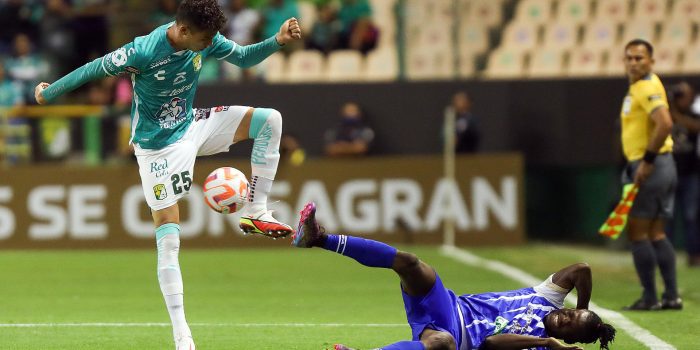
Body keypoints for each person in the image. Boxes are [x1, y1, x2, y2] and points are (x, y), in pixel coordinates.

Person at [34, 0, 302, 348]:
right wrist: (48, 92)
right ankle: (182, 335)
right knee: (169, 239)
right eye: (205, 40)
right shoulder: (143, 50)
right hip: (157, 149)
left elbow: (244, 57)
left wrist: (277, 41)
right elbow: (92, 70)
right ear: (184, 30)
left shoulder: (206, 37)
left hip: (192, 125)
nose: (210, 45)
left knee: (270, 120)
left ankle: (255, 210)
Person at [291, 202, 617, 350]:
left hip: (458, 340)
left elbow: (490, 344)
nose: (566, 317)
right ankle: (319, 239)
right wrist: (584, 304)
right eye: (572, 312)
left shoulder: (541, 347)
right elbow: (581, 269)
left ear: (570, 338)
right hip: (449, 305)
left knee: (440, 343)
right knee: (411, 264)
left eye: (571, 323)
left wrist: (548, 341)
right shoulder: (548, 298)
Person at [617, 39, 681, 311]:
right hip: (664, 165)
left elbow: (665, 123)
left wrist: (647, 161)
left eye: (639, 58)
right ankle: (671, 296)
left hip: (651, 166)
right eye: (629, 58)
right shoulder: (641, 87)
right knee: (656, 233)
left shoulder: (646, 87)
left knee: (638, 233)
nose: (634, 63)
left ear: (651, 61)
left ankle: (650, 297)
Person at [668, 81, 700, 267]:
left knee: (691, 216)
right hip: (670, 172)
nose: (682, 99)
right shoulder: (666, 114)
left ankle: (694, 254)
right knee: (668, 218)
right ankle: (668, 255)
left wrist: (675, 115)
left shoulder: (693, 114)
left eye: (685, 95)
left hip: (691, 173)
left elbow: (695, 127)